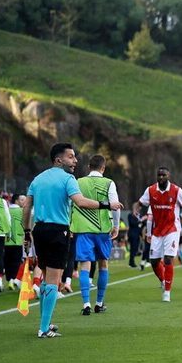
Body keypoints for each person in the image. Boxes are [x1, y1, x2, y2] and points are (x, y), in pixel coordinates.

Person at [22, 142, 123, 338]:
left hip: (39, 230)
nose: (75, 160)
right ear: (58, 159)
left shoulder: (38, 179)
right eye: (71, 156)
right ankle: (43, 329)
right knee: (54, 280)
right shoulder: (68, 179)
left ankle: (46, 322)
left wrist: (26, 232)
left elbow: (27, 207)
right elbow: (81, 202)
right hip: (58, 230)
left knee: (44, 277)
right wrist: (107, 205)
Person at [70, 155, 121, 315]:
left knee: (85, 265)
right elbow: (115, 206)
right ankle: (99, 303)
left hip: (83, 229)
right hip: (102, 229)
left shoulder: (78, 182)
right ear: (103, 168)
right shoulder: (109, 183)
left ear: (88, 167)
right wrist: (116, 226)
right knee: (103, 264)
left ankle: (86, 304)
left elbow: (70, 204)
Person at [138, 166, 182, 302]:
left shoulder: (176, 190)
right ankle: (163, 280)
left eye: (164, 175)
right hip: (158, 230)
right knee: (154, 261)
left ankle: (167, 292)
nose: (161, 177)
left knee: (168, 258)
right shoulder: (151, 190)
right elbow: (139, 203)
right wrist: (135, 210)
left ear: (169, 176)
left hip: (173, 229)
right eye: (159, 175)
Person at [4, 194, 27, 290]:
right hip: (18, 240)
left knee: (8, 261)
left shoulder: (7, 211)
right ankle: (14, 279)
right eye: (22, 200)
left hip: (7, 240)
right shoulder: (22, 211)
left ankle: (9, 279)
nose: (24, 202)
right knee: (17, 261)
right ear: (17, 201)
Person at [126, 202, 145, 268]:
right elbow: (133, 223)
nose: (140, 209)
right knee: (133, 248)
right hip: (132, 234)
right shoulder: (130, 215)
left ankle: (132, 261)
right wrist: (140, 220)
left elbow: (142, 225)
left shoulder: (139, 215)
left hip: (137, 234)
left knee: (136, 248)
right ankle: (131, 262)